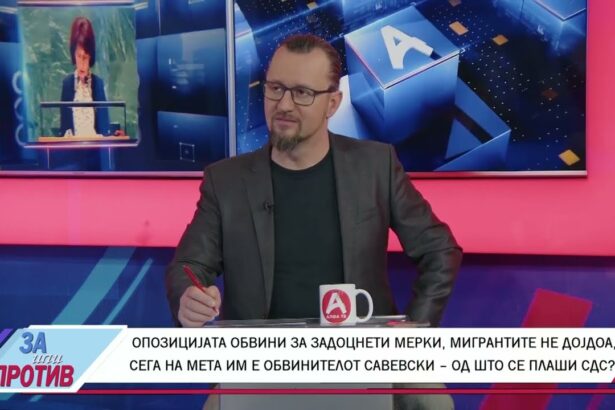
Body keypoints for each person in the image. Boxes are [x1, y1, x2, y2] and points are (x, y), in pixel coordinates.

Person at [166, 34, 462, 410]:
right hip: (262, 362)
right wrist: (188, 298)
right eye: (275, 88)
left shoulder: (375, 166)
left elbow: (441, 250)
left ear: (332, 103)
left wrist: (415, 330)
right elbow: (188, 267)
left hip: (361, 355)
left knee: (436, 402)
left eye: (302, 93)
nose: (284, 105)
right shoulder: (225, 181)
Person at [59, 16, 112, 137]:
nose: (82, 63)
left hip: (95, 147)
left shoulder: (98, 84)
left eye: (85, 57)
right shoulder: (67, 84)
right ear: (73, 54)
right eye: (79, 56)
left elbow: (105, 128)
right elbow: (64, 128)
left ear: (91, 56)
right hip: (73, 147)